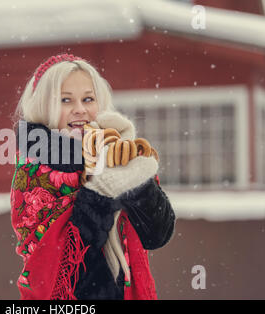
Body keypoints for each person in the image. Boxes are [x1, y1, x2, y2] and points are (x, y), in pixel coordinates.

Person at [10, 53, 175, 300]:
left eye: (88, 99)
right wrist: (102, 192)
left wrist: (135, 177)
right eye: (65, 100)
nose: (80, 110)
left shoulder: (113, 150)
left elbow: (157, 234)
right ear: (44, 106)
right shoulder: (34, 172)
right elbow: (70, 274)